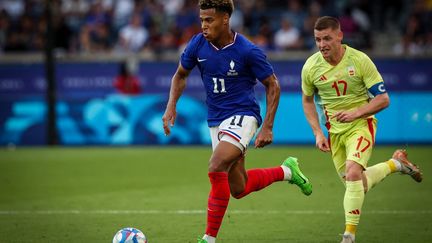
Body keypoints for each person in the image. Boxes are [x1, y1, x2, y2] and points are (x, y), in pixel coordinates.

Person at [162, 1, 312, 242]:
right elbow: (180, 75)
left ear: (225, 19)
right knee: (239, 188)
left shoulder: (247, 50)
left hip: (243, 115)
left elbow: (272, 84)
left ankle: (208, 239)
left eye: (209, 20)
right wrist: (171, 105)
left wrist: (268, 126)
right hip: (216, 120)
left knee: (216, 164)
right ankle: (287, 171)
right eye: (201, 20)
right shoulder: (197, 44)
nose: (203, 25)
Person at [301, 16, 423, 243]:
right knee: (357, 184)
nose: (322, 44)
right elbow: (307, 101)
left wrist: (356, 113)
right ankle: (396, 164)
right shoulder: (311, 66)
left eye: (327, 38)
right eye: (318, 39)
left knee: (353, 172)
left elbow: (384, 99)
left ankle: (349, 236)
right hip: (334, 132)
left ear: (340, 35)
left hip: (361, 124)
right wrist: (318, 132)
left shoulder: (359, 60)